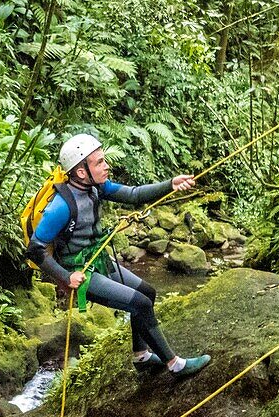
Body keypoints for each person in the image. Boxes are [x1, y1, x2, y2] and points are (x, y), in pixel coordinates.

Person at [25, 134, 211, 377]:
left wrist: (171, 185)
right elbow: (35, 248)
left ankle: (141, 356)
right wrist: (65, 277)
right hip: (82, 272)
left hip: (98, 259)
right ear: (81, 172)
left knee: (148, 293)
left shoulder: (96, 188)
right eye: (100, 162)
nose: (106, 166)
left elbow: (133, 195)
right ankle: (174, 364)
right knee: (140, 304)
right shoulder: (60, 207)